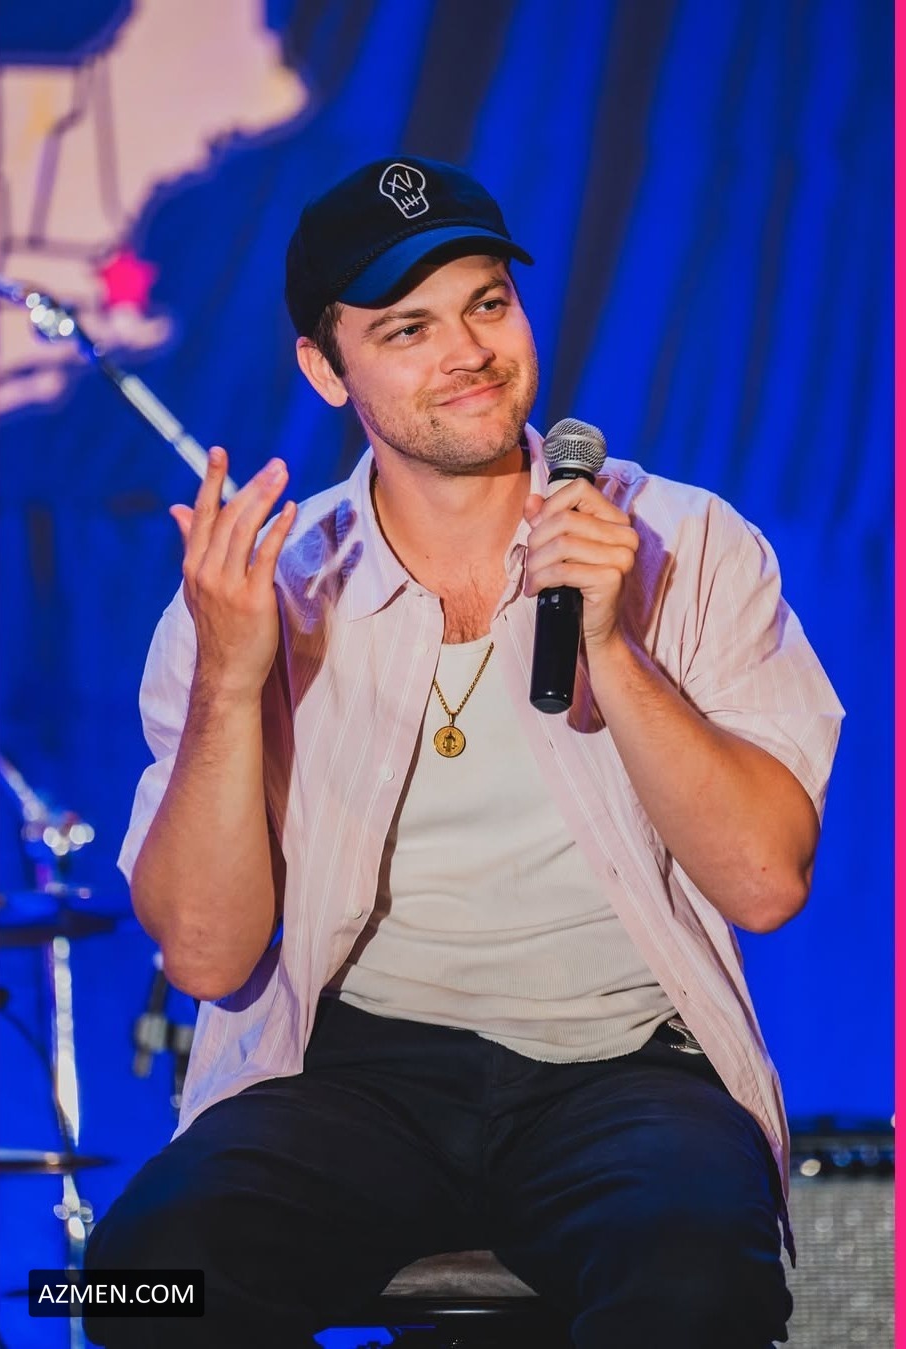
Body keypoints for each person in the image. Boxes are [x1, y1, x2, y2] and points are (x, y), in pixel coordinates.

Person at [84, 156, 843, 1348]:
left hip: (624, 1068)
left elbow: (763, 881)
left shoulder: (686, 541)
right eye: (408, 327)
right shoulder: (264, 590)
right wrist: (232, 678)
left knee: (701, 1288)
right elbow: (206, 952)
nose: (470, 352)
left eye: (487, 302)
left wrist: (611, 645)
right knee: (131, 1283)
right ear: (324, 367)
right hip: (355, 1075)